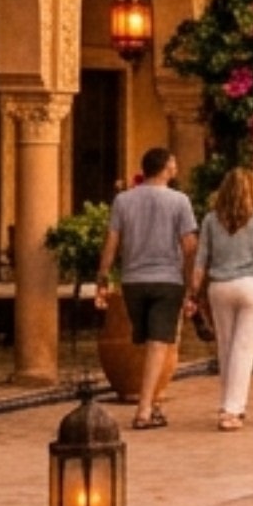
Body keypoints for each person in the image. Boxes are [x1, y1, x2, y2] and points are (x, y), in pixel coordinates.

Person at [98, 148, 196, 430]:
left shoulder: (123, 200)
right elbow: (189, 246)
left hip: (133, 281)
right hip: (167, 280)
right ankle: (144, 409)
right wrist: (191, 284)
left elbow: (112, 241)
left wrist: (103, 276)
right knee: (158, 344)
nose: (176, 166)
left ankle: (148, 402)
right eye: (174, 161)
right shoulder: (180, 201)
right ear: (166, 167)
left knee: (147, 341)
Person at [199, 168, 253, 432]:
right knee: (244, 349)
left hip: (219, 287)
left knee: (226, 347)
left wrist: (193, 290)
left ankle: (229, 404)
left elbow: (201, 259)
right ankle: (232, 409)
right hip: (251, 286)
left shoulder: (210, 220)